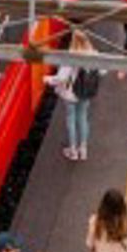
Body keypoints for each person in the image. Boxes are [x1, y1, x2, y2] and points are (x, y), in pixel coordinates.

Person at [52, 30, 101, 161]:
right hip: (86, 92)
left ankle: (73, 151)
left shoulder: (71, 56)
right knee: (83, 118)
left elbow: (61, 78)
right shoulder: (95, 54)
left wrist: (47, 79)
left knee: (71, 120)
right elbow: (102, 71)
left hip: (70, 94)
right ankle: (83, 150)